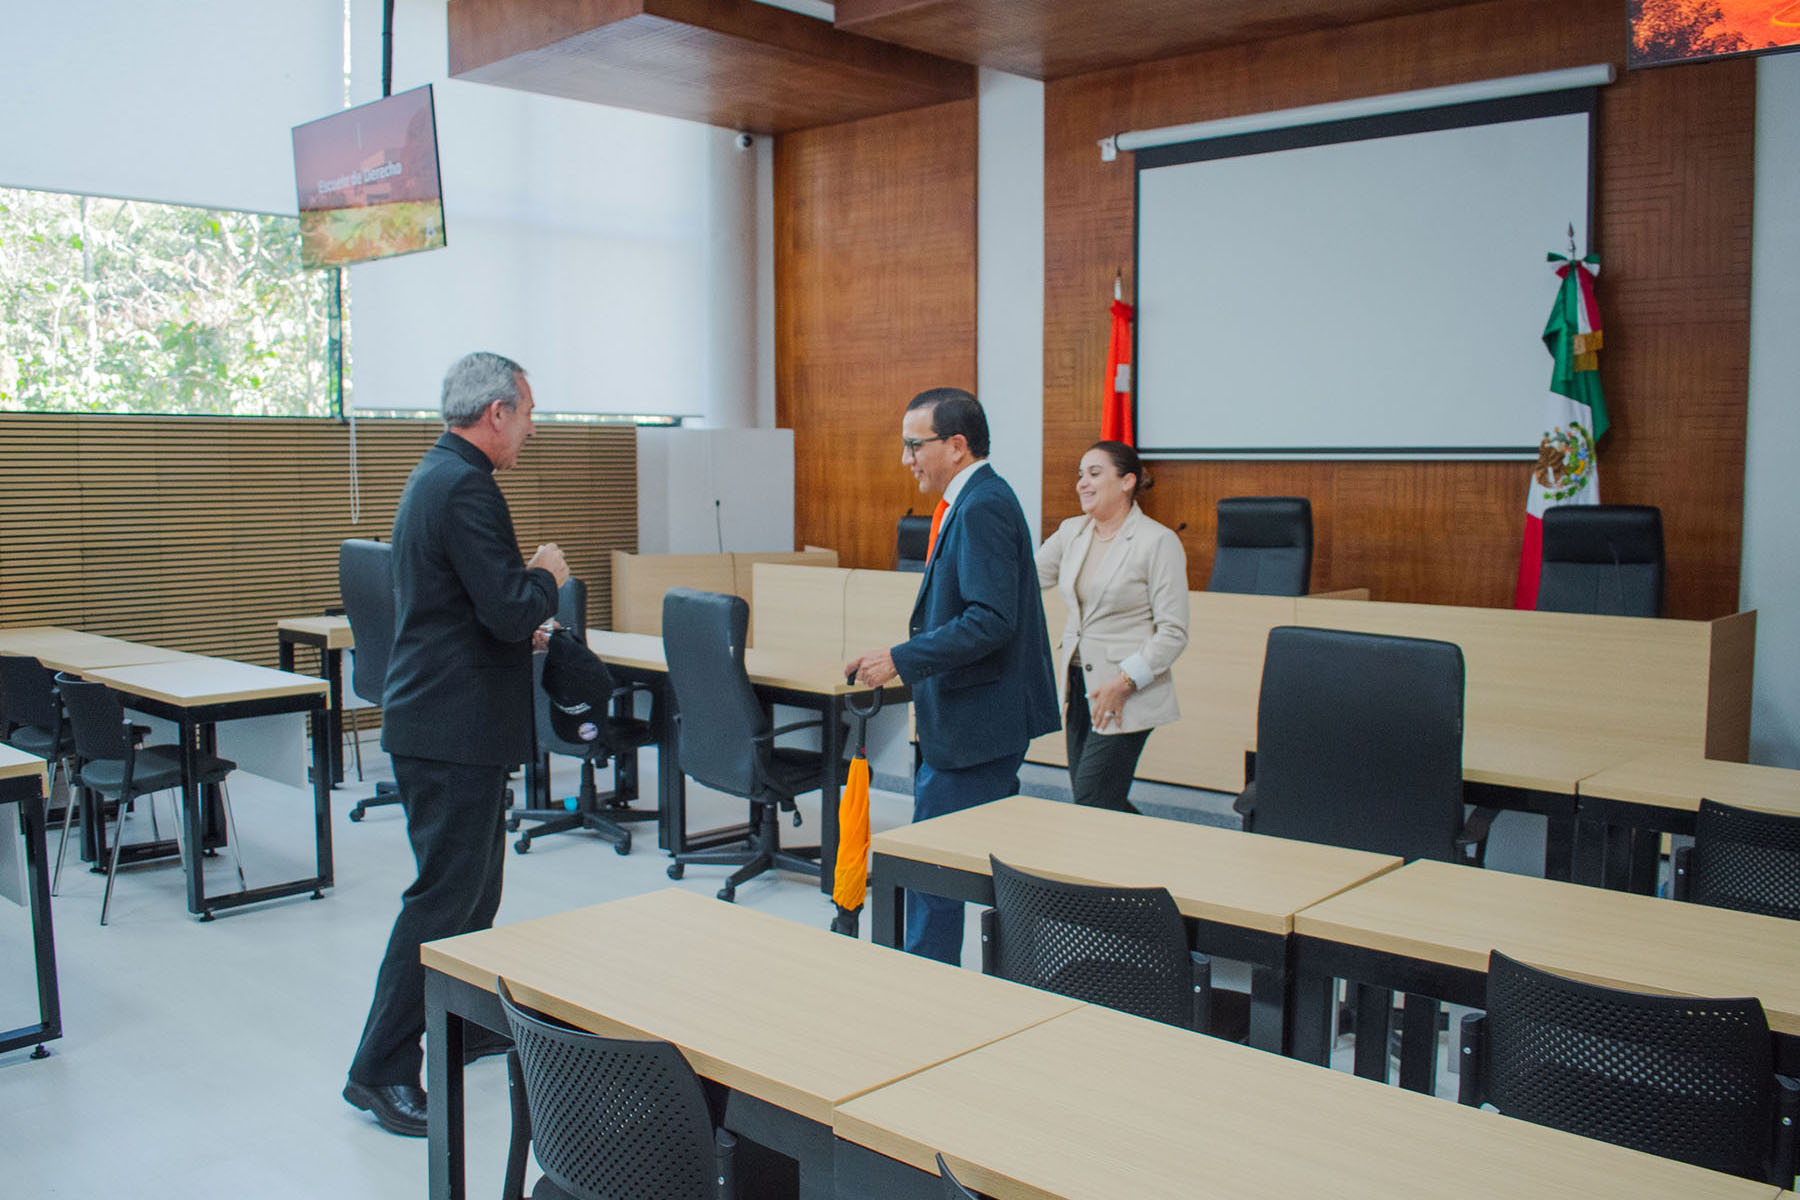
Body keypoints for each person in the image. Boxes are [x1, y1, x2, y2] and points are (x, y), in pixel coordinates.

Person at [344, 352, 569, 1137]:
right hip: (450, 730)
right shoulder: (467, 487)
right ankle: (378, 1070)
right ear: (497, 412)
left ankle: (455, 1019)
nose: (532, 431)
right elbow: (507, 606)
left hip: (448, 720)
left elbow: (466, 610)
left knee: (476, 894)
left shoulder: (435, 476)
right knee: (442, 898)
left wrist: (521, 626)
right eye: (529, 414)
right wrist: (545, 578)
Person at [846, 387, 1058, 965]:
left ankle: (923, 986)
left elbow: (991, 620)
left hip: (976, 725)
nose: (906, 458)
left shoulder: (983, 504)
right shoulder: (972, 500)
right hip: (969, 719)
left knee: (933, 870)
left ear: (957, 445)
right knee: (960, 865)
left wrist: (901, 658)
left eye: (915, 444)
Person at [1036, 441, 1189, 813]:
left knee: (1091, 799)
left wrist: (1124, 683)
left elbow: (1173, 632)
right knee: (1100, 801)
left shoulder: (1158, 541)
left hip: (1127, 689)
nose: (1082, 484)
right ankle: (1151, 861)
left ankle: (1153, 864)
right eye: (1079, 475)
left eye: (1094, 473)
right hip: (1077, 685)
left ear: (1127, 481)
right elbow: (1024, 580)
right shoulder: (1073, 531)